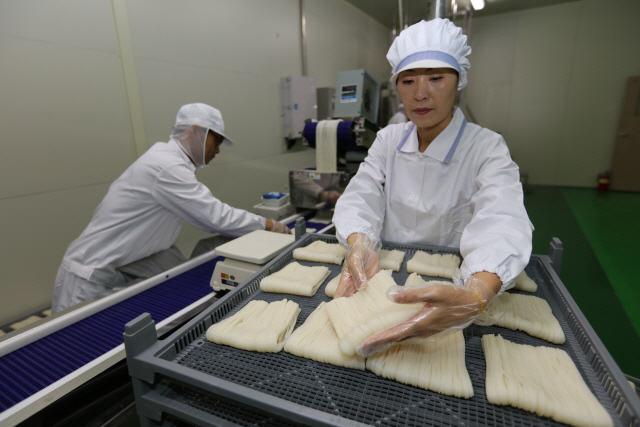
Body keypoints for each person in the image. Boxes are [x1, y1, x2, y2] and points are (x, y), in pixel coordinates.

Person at [332, 19, 533, 356]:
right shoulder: (388, 139)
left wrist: (475, 296)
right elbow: (361, 195)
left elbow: (502, 218)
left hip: (451, 285)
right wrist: (360, 242)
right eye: (408, 81)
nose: (420, 94)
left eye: (436, 78)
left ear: (459, 81)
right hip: (385, 279)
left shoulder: (486, 147)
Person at [52, 103, 290, 313]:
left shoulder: (171, 163)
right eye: (216, 141)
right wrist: (269, 224)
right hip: (88, 280)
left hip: (116, 271)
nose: (217, 150)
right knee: (69, 357)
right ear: (195, 131)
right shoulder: (166, 167)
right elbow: (215, 217)